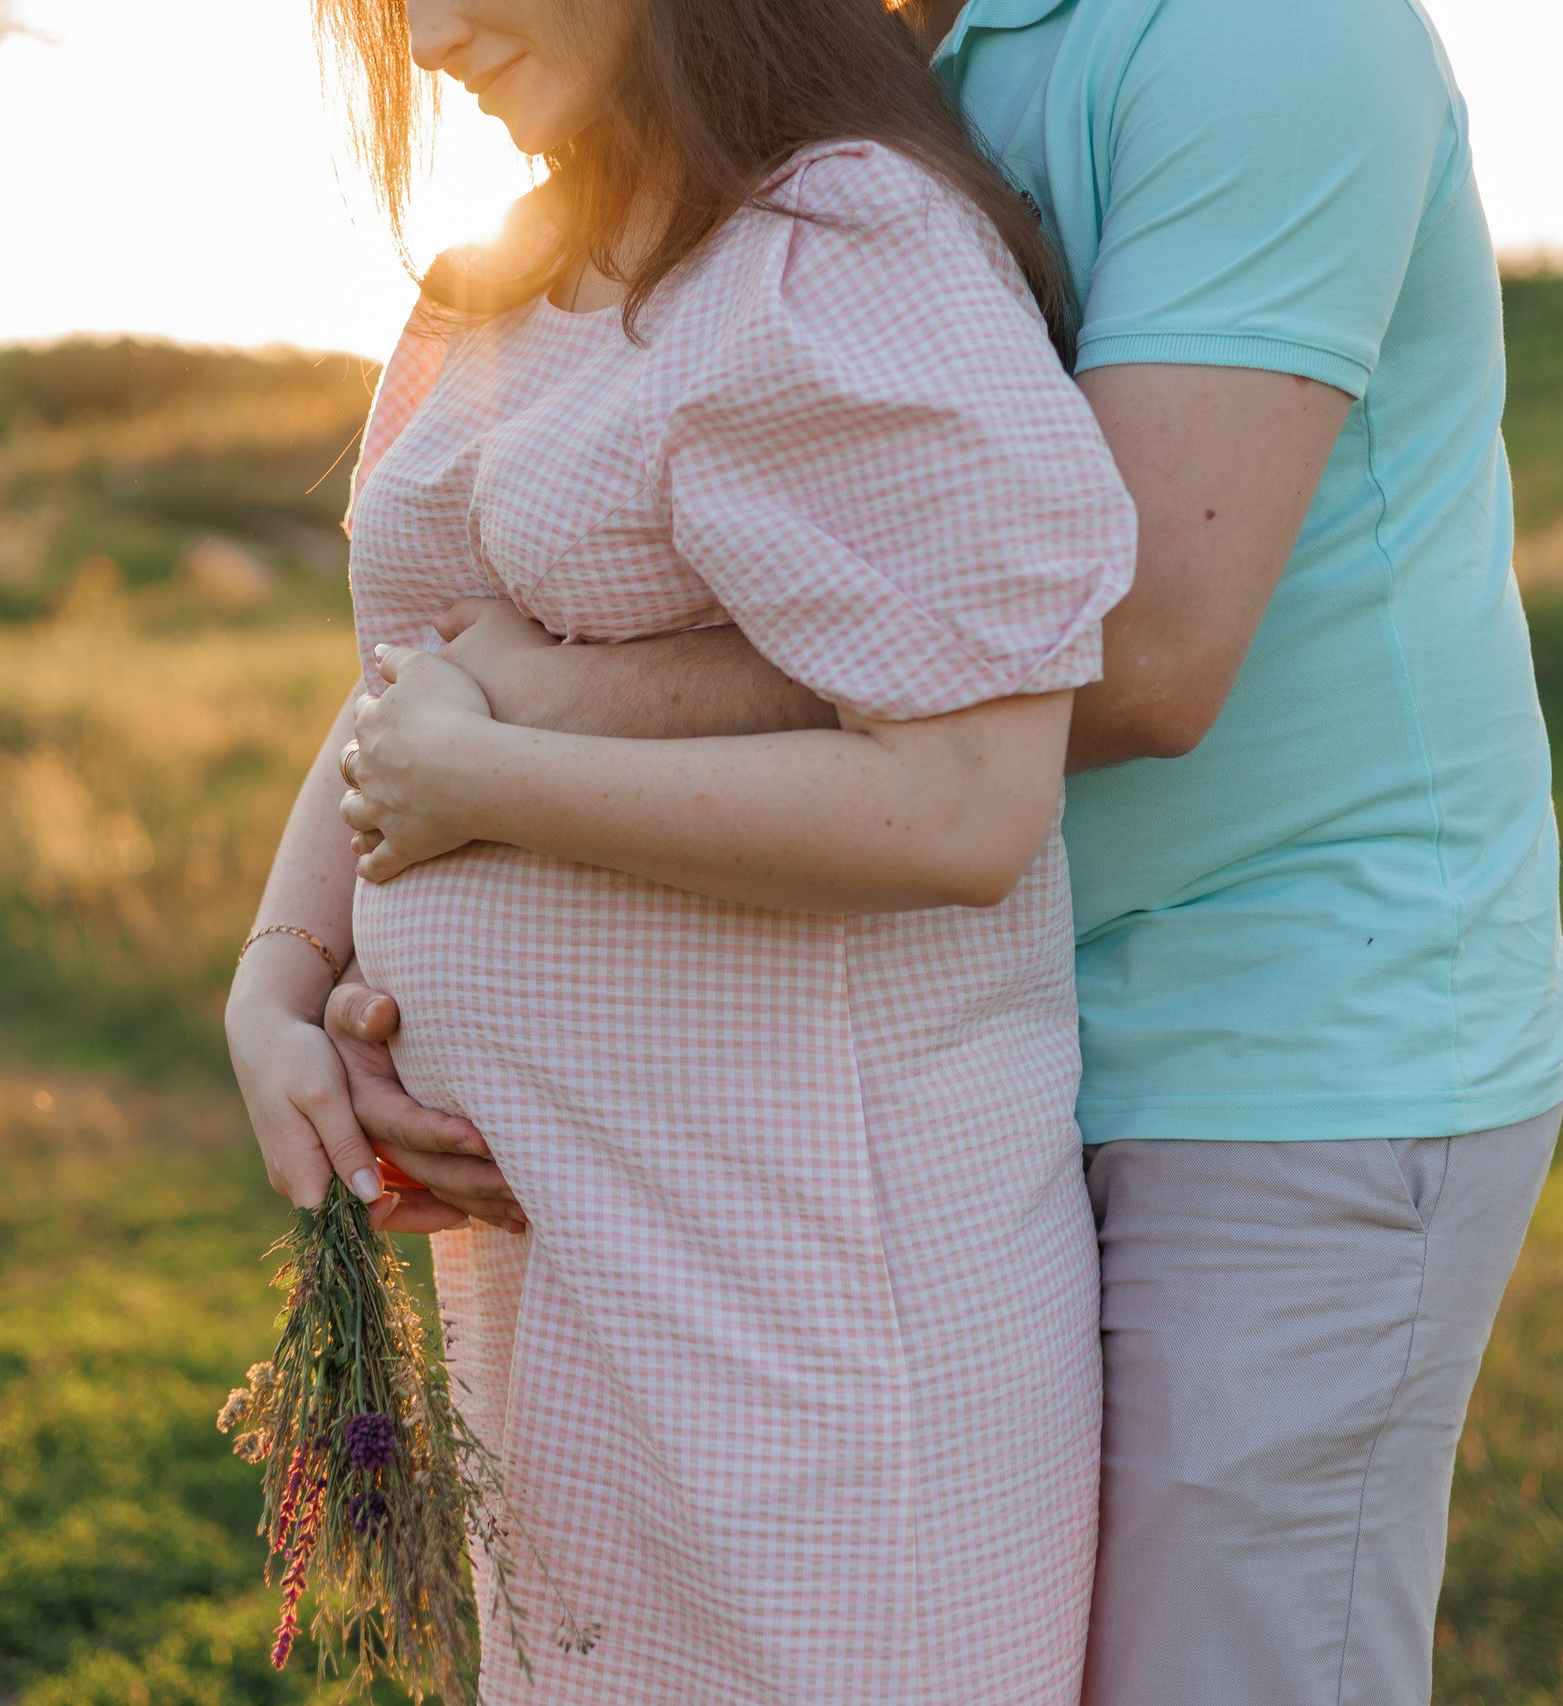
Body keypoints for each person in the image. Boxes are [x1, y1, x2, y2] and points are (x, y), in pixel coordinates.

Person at [313, 0, 1563, 1702]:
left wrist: (530, 708)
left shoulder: (1262, 36)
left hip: (1284, 1031)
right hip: (986, 1051)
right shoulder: (919, 44)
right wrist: (323, 948)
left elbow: (1123, 648)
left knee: (1226, 1668)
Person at [226, 0, 1138, 1697]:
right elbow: (403, 691)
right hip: (567, 1290)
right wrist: (280, 984)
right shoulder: (507, 271)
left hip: (806, 1311)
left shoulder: (842, 248)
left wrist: (493, 782)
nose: (426, 41)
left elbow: (965, 801)